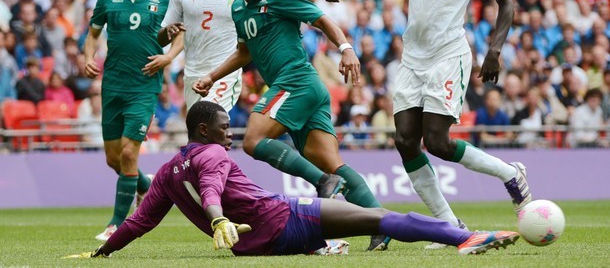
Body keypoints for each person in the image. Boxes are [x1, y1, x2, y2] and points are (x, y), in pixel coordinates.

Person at [326, 0, 532, 249]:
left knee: (436, 142)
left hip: (448, 55)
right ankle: (449, 225)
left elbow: (506, 4)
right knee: (405, 140)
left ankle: (510, 173)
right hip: (413, 57)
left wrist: (495, 51)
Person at [64, 101, 520, 259]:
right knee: (378, 216)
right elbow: (211, 187)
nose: (230, 131)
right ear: (204, 130)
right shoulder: (213, 154)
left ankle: (324, 246)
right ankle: (465, 237)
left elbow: (140, 221)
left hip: (254, 244)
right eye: (224, 126)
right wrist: (218, 216)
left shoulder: (165, 171)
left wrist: (103, 251)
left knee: (352, 227)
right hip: (283, 217)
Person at [193, 0, 389, 251]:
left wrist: (347, 48)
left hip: (295, 81)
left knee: (253, 141)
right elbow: (245, 51)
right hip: (305, 88)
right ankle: (382, 224)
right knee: (332, 164)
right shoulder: (238, 7)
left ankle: (323, 183)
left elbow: (321, 18)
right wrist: (211, 76)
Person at [84, 0, 181, 241]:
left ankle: (116, 223)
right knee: (114, 159)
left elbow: (180, 35)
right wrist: (88, 57)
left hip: (144, 87)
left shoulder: (164, 0)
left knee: (129, 152)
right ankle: (145, 185)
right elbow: (92, 34)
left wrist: (169, 56)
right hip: (112, 86)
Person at [157, 0, 243, 111]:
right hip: (192, 75)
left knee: (211, 118)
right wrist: (168, 32)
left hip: (223, 75)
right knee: (198, 131)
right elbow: (160, 39)